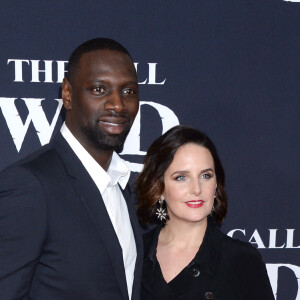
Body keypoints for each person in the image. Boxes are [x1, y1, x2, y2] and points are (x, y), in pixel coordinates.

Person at [0, 38, 143, 300]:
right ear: (67, 94)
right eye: (99, 89)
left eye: (129, 91)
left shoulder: (123, 186)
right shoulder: (31, 185)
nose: (118, 105)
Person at [136, 125, 274, 300]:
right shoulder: (134, 255)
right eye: (181, 177)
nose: (196, 189)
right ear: (159, 188)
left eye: (206, 176)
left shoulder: (242, 260)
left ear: (216, 184)